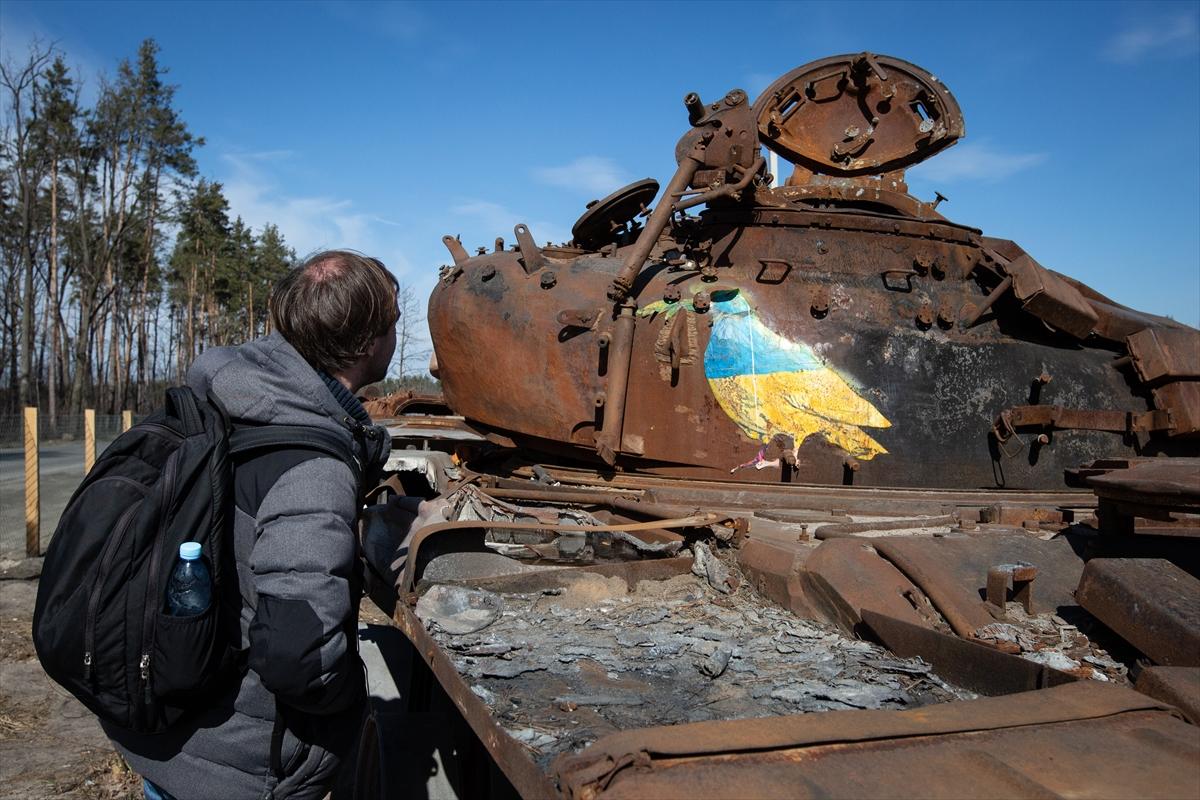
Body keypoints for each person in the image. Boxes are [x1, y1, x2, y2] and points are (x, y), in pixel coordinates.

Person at [104, 250, 398, 800]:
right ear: (367, 344)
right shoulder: (312, 468)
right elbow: (297, 656)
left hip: (171, 732)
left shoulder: (224, 397)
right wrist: (354, 696)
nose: (395, 336)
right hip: (236, 766)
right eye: (393, 324)